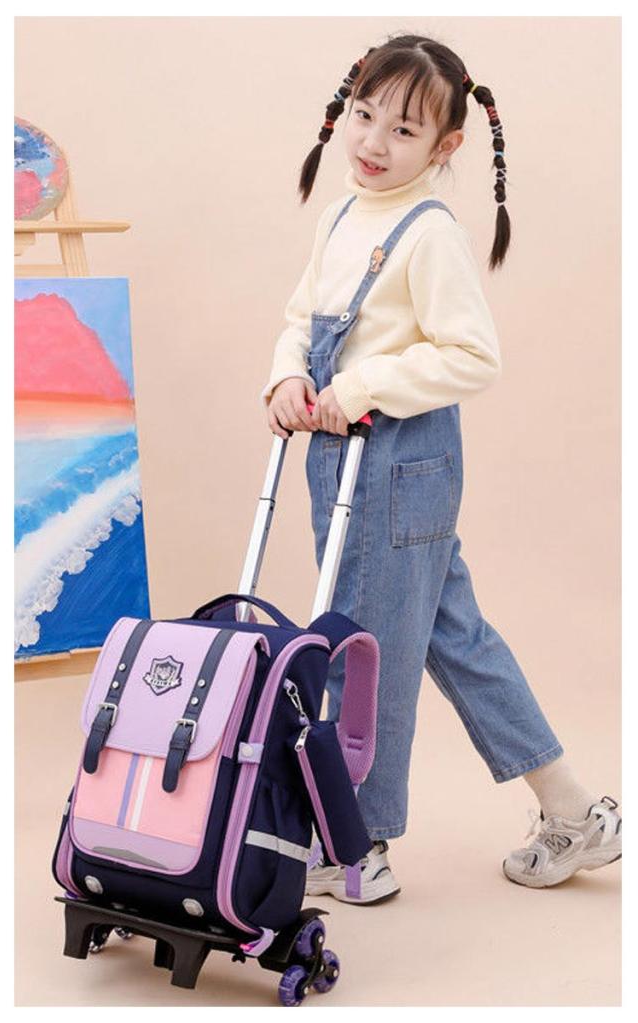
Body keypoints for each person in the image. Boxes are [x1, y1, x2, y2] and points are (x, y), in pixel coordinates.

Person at [260, 33, 621, 902]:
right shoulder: (340, 217)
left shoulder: (429, 234)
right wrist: (286, 374)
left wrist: (362, 384)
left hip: (396, 465)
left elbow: (473, 354)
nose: (375, 142)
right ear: (344, 111)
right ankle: (573, 809)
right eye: (365, 115)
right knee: (453, 637)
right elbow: (301, 317)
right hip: (340, 459)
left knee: (361, 652)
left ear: (446, 145)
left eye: (405, 130)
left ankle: (361, 842)